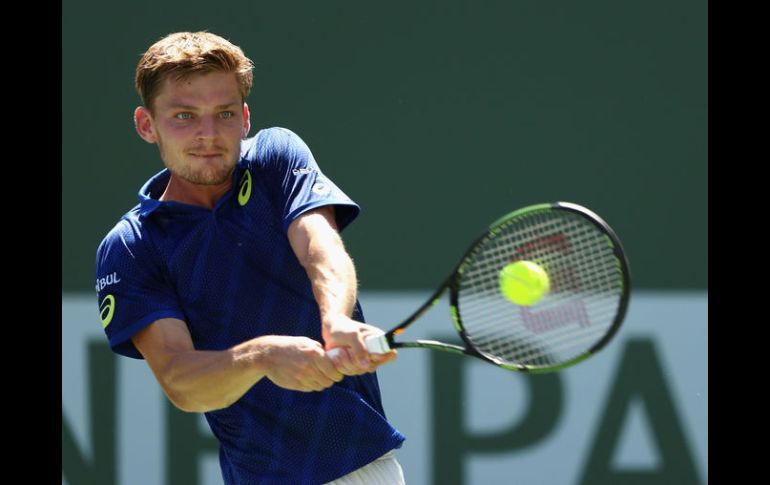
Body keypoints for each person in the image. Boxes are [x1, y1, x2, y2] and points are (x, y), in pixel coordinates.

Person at [95, 31, 405, 484]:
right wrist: (262, 356)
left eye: (223, 114)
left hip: (360, 470)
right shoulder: (131, 247)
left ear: (243, 118)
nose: (208, 134)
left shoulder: (276, 158)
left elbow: (318, 242)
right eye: (184, 116)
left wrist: (335, 319)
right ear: (147, 125)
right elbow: (180, 380)